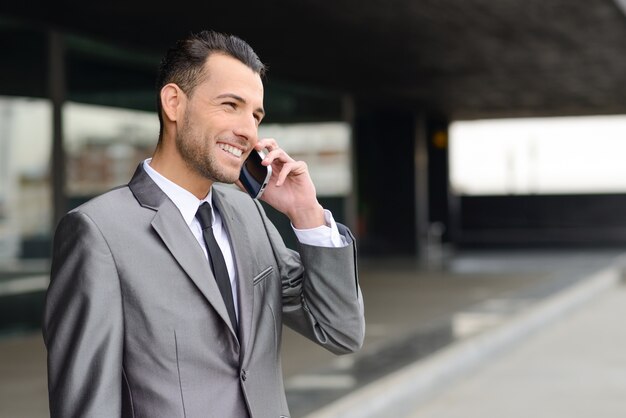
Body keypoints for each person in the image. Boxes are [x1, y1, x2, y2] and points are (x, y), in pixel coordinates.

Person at [42, 30, 365, 418]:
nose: (248, 130)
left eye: (256, 114)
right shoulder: (98, 232)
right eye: (231, 105)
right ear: (174, 103)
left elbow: (340, 331)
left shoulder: (251, 216)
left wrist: (307, 214)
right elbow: (86, 405)